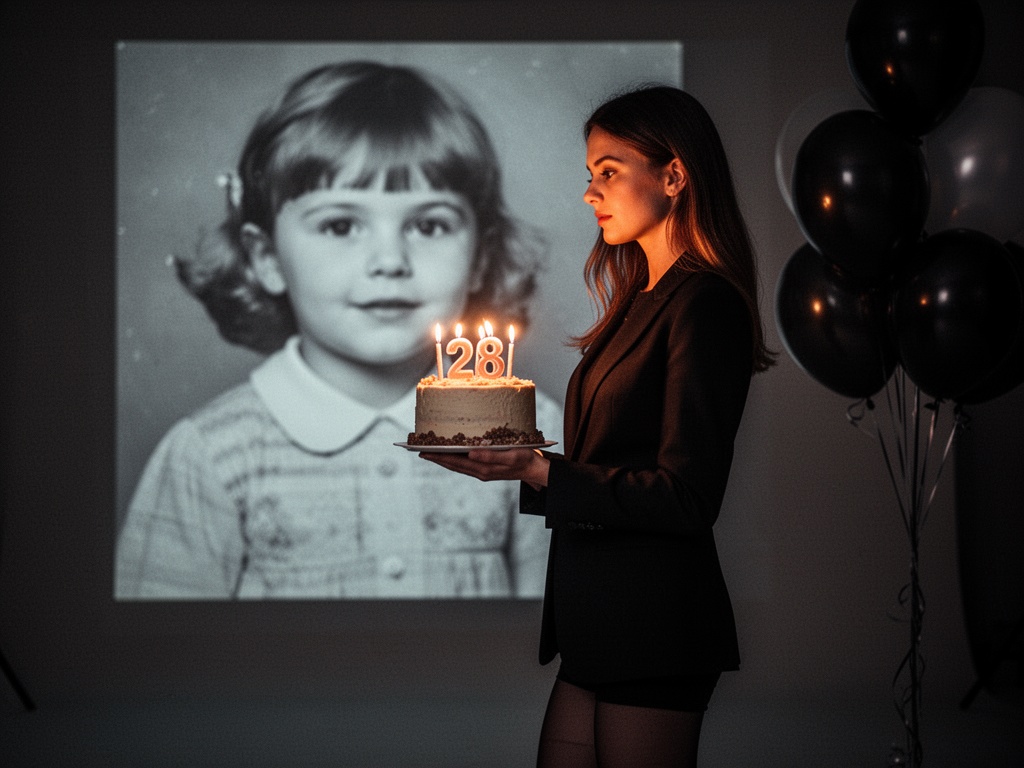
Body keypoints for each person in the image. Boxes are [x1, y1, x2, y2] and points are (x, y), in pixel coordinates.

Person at [422, 85, 775, 767]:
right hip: (598, 627)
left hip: (654, 626)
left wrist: (539, 470)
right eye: (590, 175)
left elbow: (687, 496)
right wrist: (518, 463)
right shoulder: (635, 301)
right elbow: (608, 461)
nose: (591, 193)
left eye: (609, 171)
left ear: (673, 175)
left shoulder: (704, 305)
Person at [115, 61, 561, 599]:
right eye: (341, 225)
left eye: (429, 225)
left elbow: (565, 625)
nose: (390, 260)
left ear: (480, 257)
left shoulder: (523, 430)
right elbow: (155, 654)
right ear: (266, 258)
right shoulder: (208, 455)